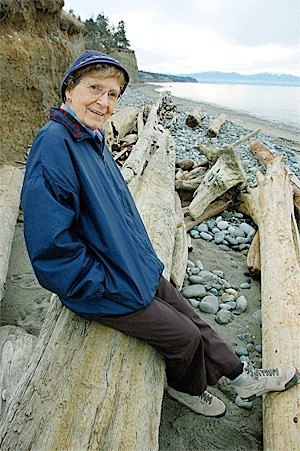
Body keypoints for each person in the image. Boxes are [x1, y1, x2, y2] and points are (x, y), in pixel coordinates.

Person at [21, 50, 299, 417]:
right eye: (95, 88)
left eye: (113, 94)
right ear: (69, 89)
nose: (104, 102)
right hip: (102, 286)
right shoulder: (54, 146)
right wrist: (102, 285)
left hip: (130, 263)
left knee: (195, 319)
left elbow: (116, 209)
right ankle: (186, 388)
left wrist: (140, 256)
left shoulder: (90, 137)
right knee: (183, 337)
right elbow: (50, 250)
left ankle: (242, 376)